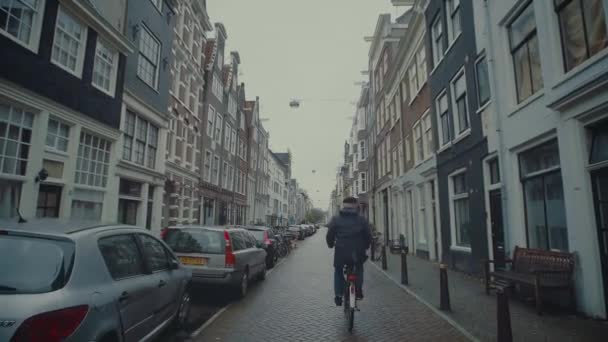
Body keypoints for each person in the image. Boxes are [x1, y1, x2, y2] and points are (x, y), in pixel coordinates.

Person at [326, 197, 372, 306]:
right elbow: (368, 236)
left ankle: (338, 295)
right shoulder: (362, 219)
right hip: (357, 252)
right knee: (359, 267)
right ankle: (359, 290)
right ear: (355, 205)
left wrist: (330, 244)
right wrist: (366, 246)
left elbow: (330, 235)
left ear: (343, 206)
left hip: (341, 252)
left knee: (338, 270)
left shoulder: (336, 219)